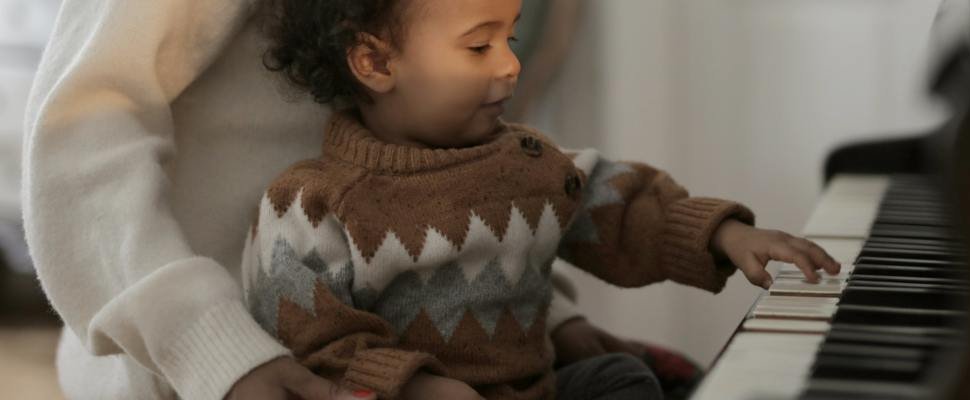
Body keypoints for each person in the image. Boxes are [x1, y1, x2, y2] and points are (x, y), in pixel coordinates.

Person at [19, 0, 744, 398]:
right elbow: (80, 134)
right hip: (212, 373)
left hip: (423, 356)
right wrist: (212, 351)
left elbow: (428, 158)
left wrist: (536, 307)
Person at [234, 0, 841, 399]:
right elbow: (314, 345)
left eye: (511, 36)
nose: (510, 64)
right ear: (374, 61)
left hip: (541, 390)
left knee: (624, 380)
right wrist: (414, 387)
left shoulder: (528, 164)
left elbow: (622, 209)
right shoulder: (310, 204)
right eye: (479, 47)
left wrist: (723, 235)